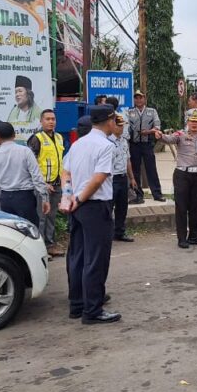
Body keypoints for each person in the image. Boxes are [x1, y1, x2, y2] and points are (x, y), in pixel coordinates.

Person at [61, 104, 121, 324]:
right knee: (96, 259)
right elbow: (98, 179)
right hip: (95, 206)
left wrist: (69, 198)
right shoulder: (105, 146)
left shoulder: (78, 144)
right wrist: (80, 198)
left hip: (77, 207)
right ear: (108, 121)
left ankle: (76, 305)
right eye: (114, 119)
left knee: (77, 256)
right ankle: (92, 310)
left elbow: (65, 171)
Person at [155, 109, 197, 249]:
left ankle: (194, 236)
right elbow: (168, 139)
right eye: (192, 121)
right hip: (182, 175)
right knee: (181, 207)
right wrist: (160, 135)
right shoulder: (180, 135)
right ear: (188, 122)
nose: (194, 124)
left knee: (196, 207)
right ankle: (182, 238)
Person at [0, 122, 49, 224]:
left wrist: (3, 183)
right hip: (25, 197)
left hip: (5, 198)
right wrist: (45, 198)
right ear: (14, 135)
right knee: (29, 229)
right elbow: (37, 177)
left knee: (11, 230)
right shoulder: (25, 151)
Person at [27, 110, 65, 255]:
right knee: (41, 218)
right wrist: (42, 184)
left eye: (53, 119)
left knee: (52, 217)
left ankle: (50, 245)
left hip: (56, 184)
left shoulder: (59, 137)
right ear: (41, 121)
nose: (51, 122)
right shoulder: (36, 138)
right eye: (47, 119)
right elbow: (31, 164)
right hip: (42, 186)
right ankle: (40, 249)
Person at [126, 90, 164, 203]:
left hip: (147, 144)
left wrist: (149, 131)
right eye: (136, 98)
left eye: (140, 98)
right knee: (135, 170)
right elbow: (127, 127)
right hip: (134, 145)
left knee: (151, 169)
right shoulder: (129, 112)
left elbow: (157, 126)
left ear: (144, 99)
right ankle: (138, 194)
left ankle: (157, 194)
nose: (138, 100)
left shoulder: (152, 112)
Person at [110, 113, 136, 243]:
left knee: (122, 207)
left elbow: (128, 160)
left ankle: (119, 232)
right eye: (119, 126)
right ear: (112, 125)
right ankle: (106, 233)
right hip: (111, 178)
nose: (121, 128)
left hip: (122, 177)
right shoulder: (107, 141)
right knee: (109, 207)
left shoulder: (124, 141)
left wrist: (132, 178)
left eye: (122, 126)